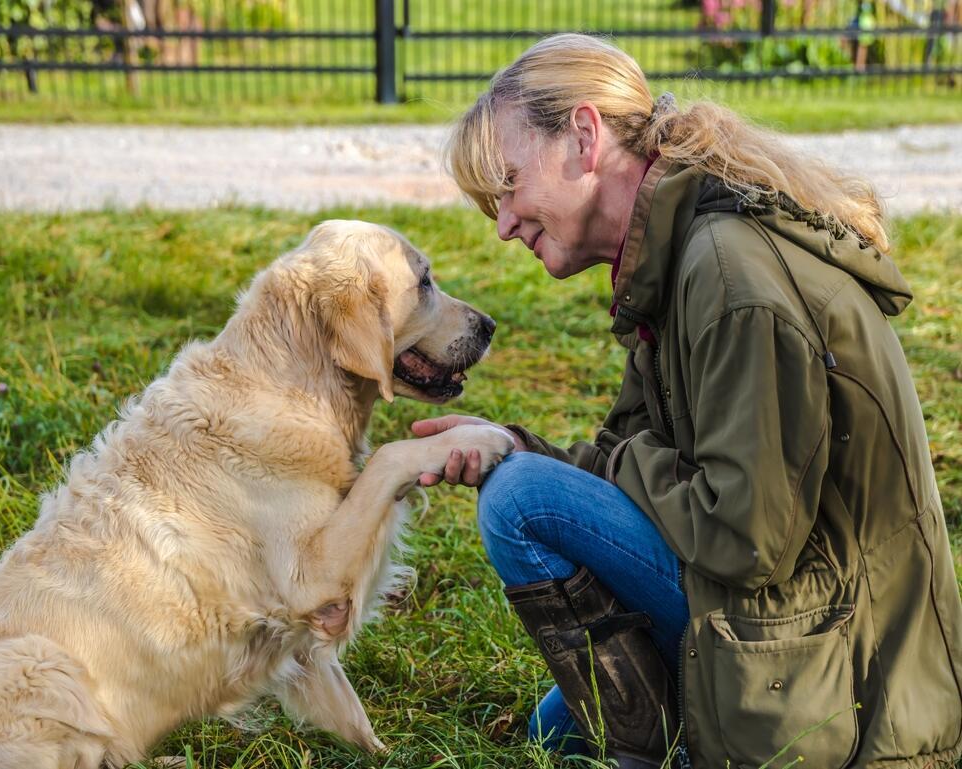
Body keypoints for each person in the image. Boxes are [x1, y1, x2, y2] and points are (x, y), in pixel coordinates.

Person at [411, 33, 962, 769]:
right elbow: (629, 457)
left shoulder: (727, 278)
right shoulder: (672, 258)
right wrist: (514, 443)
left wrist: (538, 472)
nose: (504, 223)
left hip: (847, 689)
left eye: (509, 185)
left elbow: (747, 537)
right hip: (797, 632)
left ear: (584, 136)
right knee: (553, 728)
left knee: (519, 502)